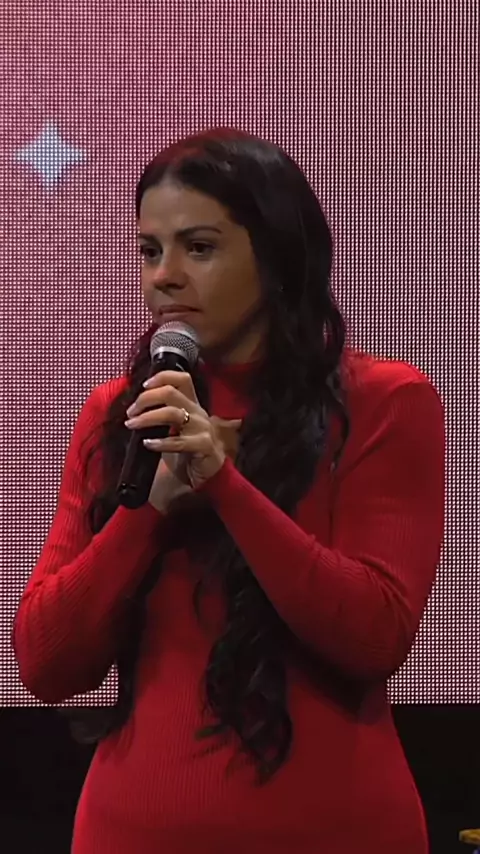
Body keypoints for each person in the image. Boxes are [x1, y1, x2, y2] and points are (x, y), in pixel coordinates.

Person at [13, 128, 445, 854]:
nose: (164, 277)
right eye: (149, 251)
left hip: (339, 832)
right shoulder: (121, 414)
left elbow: (375, 636)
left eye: (199, 247)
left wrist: (225, 486)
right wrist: (150, 507)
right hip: (132, 832)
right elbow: (47, 664)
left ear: (275, 255)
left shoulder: (384, 403)